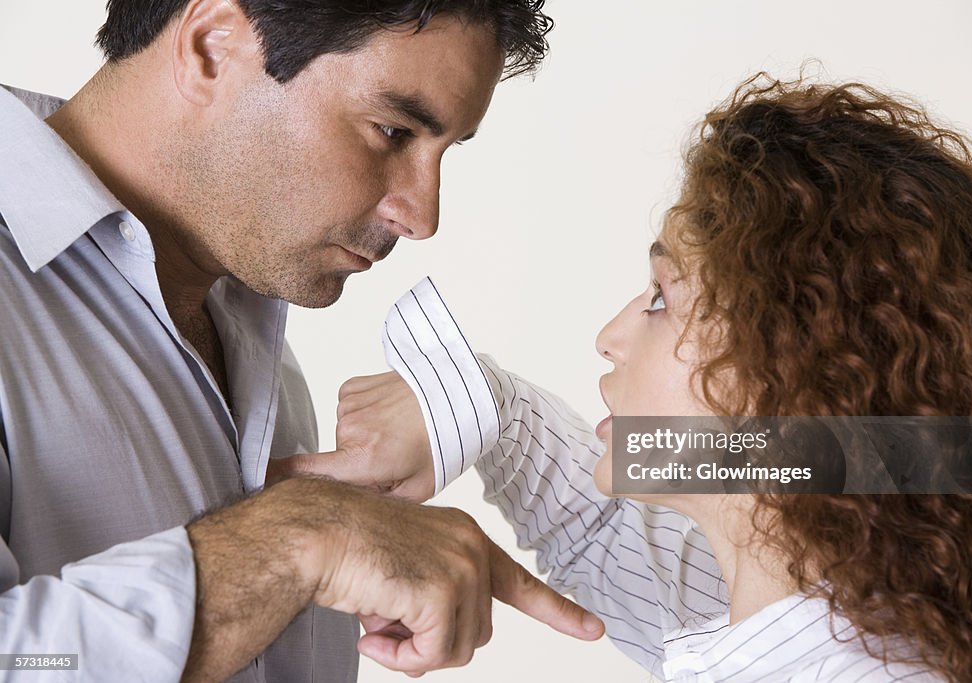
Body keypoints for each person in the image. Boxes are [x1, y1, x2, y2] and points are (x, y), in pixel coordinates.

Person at [290, 74, 972, 681]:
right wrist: (466, 399)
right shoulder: (821, 605)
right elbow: (596, 524)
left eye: (662, 298)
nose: (610, 338)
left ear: (794, 368)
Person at [0, 1, 607, 681]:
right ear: (212, 46)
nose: (421, 215)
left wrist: (492, 412)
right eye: (392, 130)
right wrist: (299, 542)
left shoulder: (253, 338)